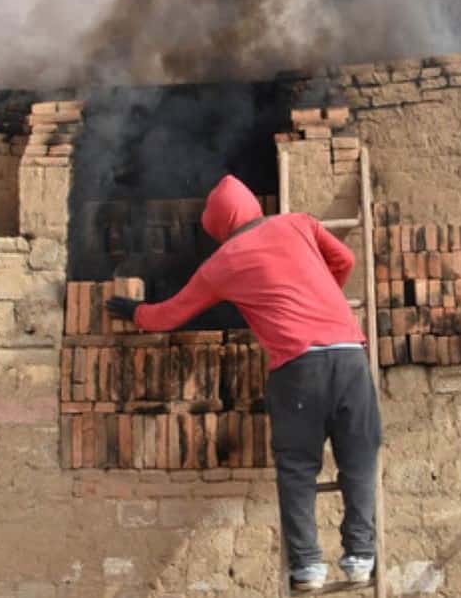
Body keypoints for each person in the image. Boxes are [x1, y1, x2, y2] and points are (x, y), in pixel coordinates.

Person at [107, 174, 381, 592]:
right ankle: (361, 560)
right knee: (359, 459)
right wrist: (320, 301)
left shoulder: (224, 262)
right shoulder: (299, 223)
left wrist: (134, 313)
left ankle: (307, 567)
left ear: (219, 226)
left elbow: (170, 315)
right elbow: (345, 260)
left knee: (297, 469)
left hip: (298, 370)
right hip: (349, 356)